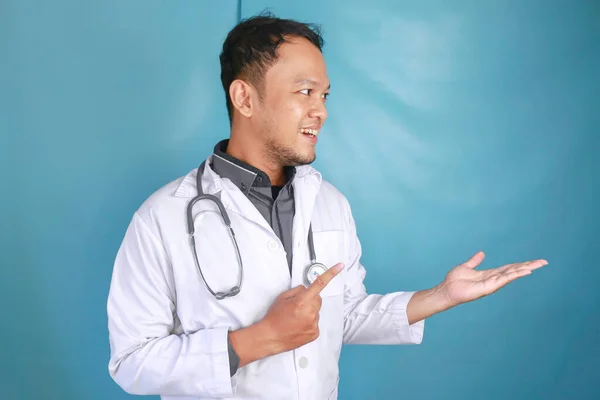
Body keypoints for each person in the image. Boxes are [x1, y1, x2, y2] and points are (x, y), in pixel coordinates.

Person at [106, 13, 547, 400]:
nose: (321, 111)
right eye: (305, 91)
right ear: (244, 98)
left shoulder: (330, 203)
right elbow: (131, 362)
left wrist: (439, 296)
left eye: (325, 96)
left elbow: (343, 314)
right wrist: (260, 339)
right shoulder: (162, 218)